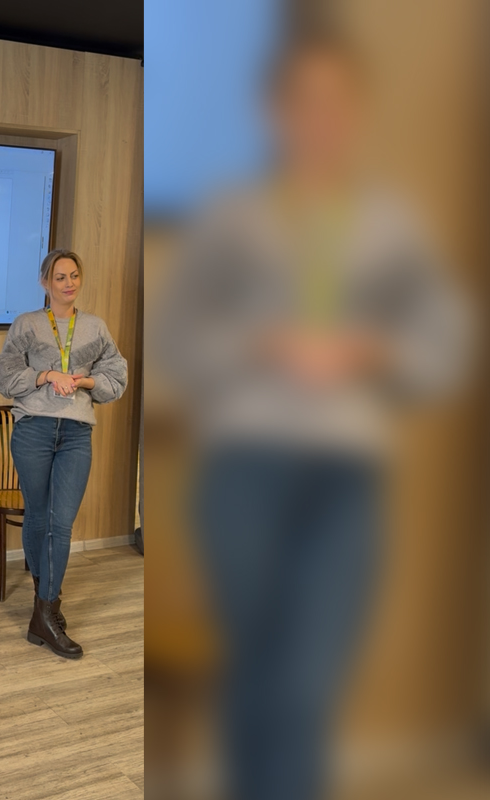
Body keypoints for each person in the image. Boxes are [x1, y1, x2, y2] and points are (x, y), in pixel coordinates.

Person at [157, 30, 469, 800]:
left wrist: (376, 350)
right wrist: (260, 342)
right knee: (253, 678)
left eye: (336, 102)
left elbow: (449, 340)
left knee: (305, 685)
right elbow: (176, 335)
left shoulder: (392, 224)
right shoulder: (231, 216)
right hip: (245, 469)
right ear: (273, 111)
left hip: (347, 478)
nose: (319, 117)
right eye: (303, 100)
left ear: (358, 113)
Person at [0, 249, 128, 659]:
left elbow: (116, 375)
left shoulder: (95, 327)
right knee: (38, 516)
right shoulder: (27, 324)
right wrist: (47, 374)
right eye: (59, 277)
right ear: (45, 282)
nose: (68, 283)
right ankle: (45, 608)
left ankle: (46, 610)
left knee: (60, 522)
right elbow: (4, 376)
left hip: (75, 432)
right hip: (33, 428)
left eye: (74, 276)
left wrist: (85, 381)